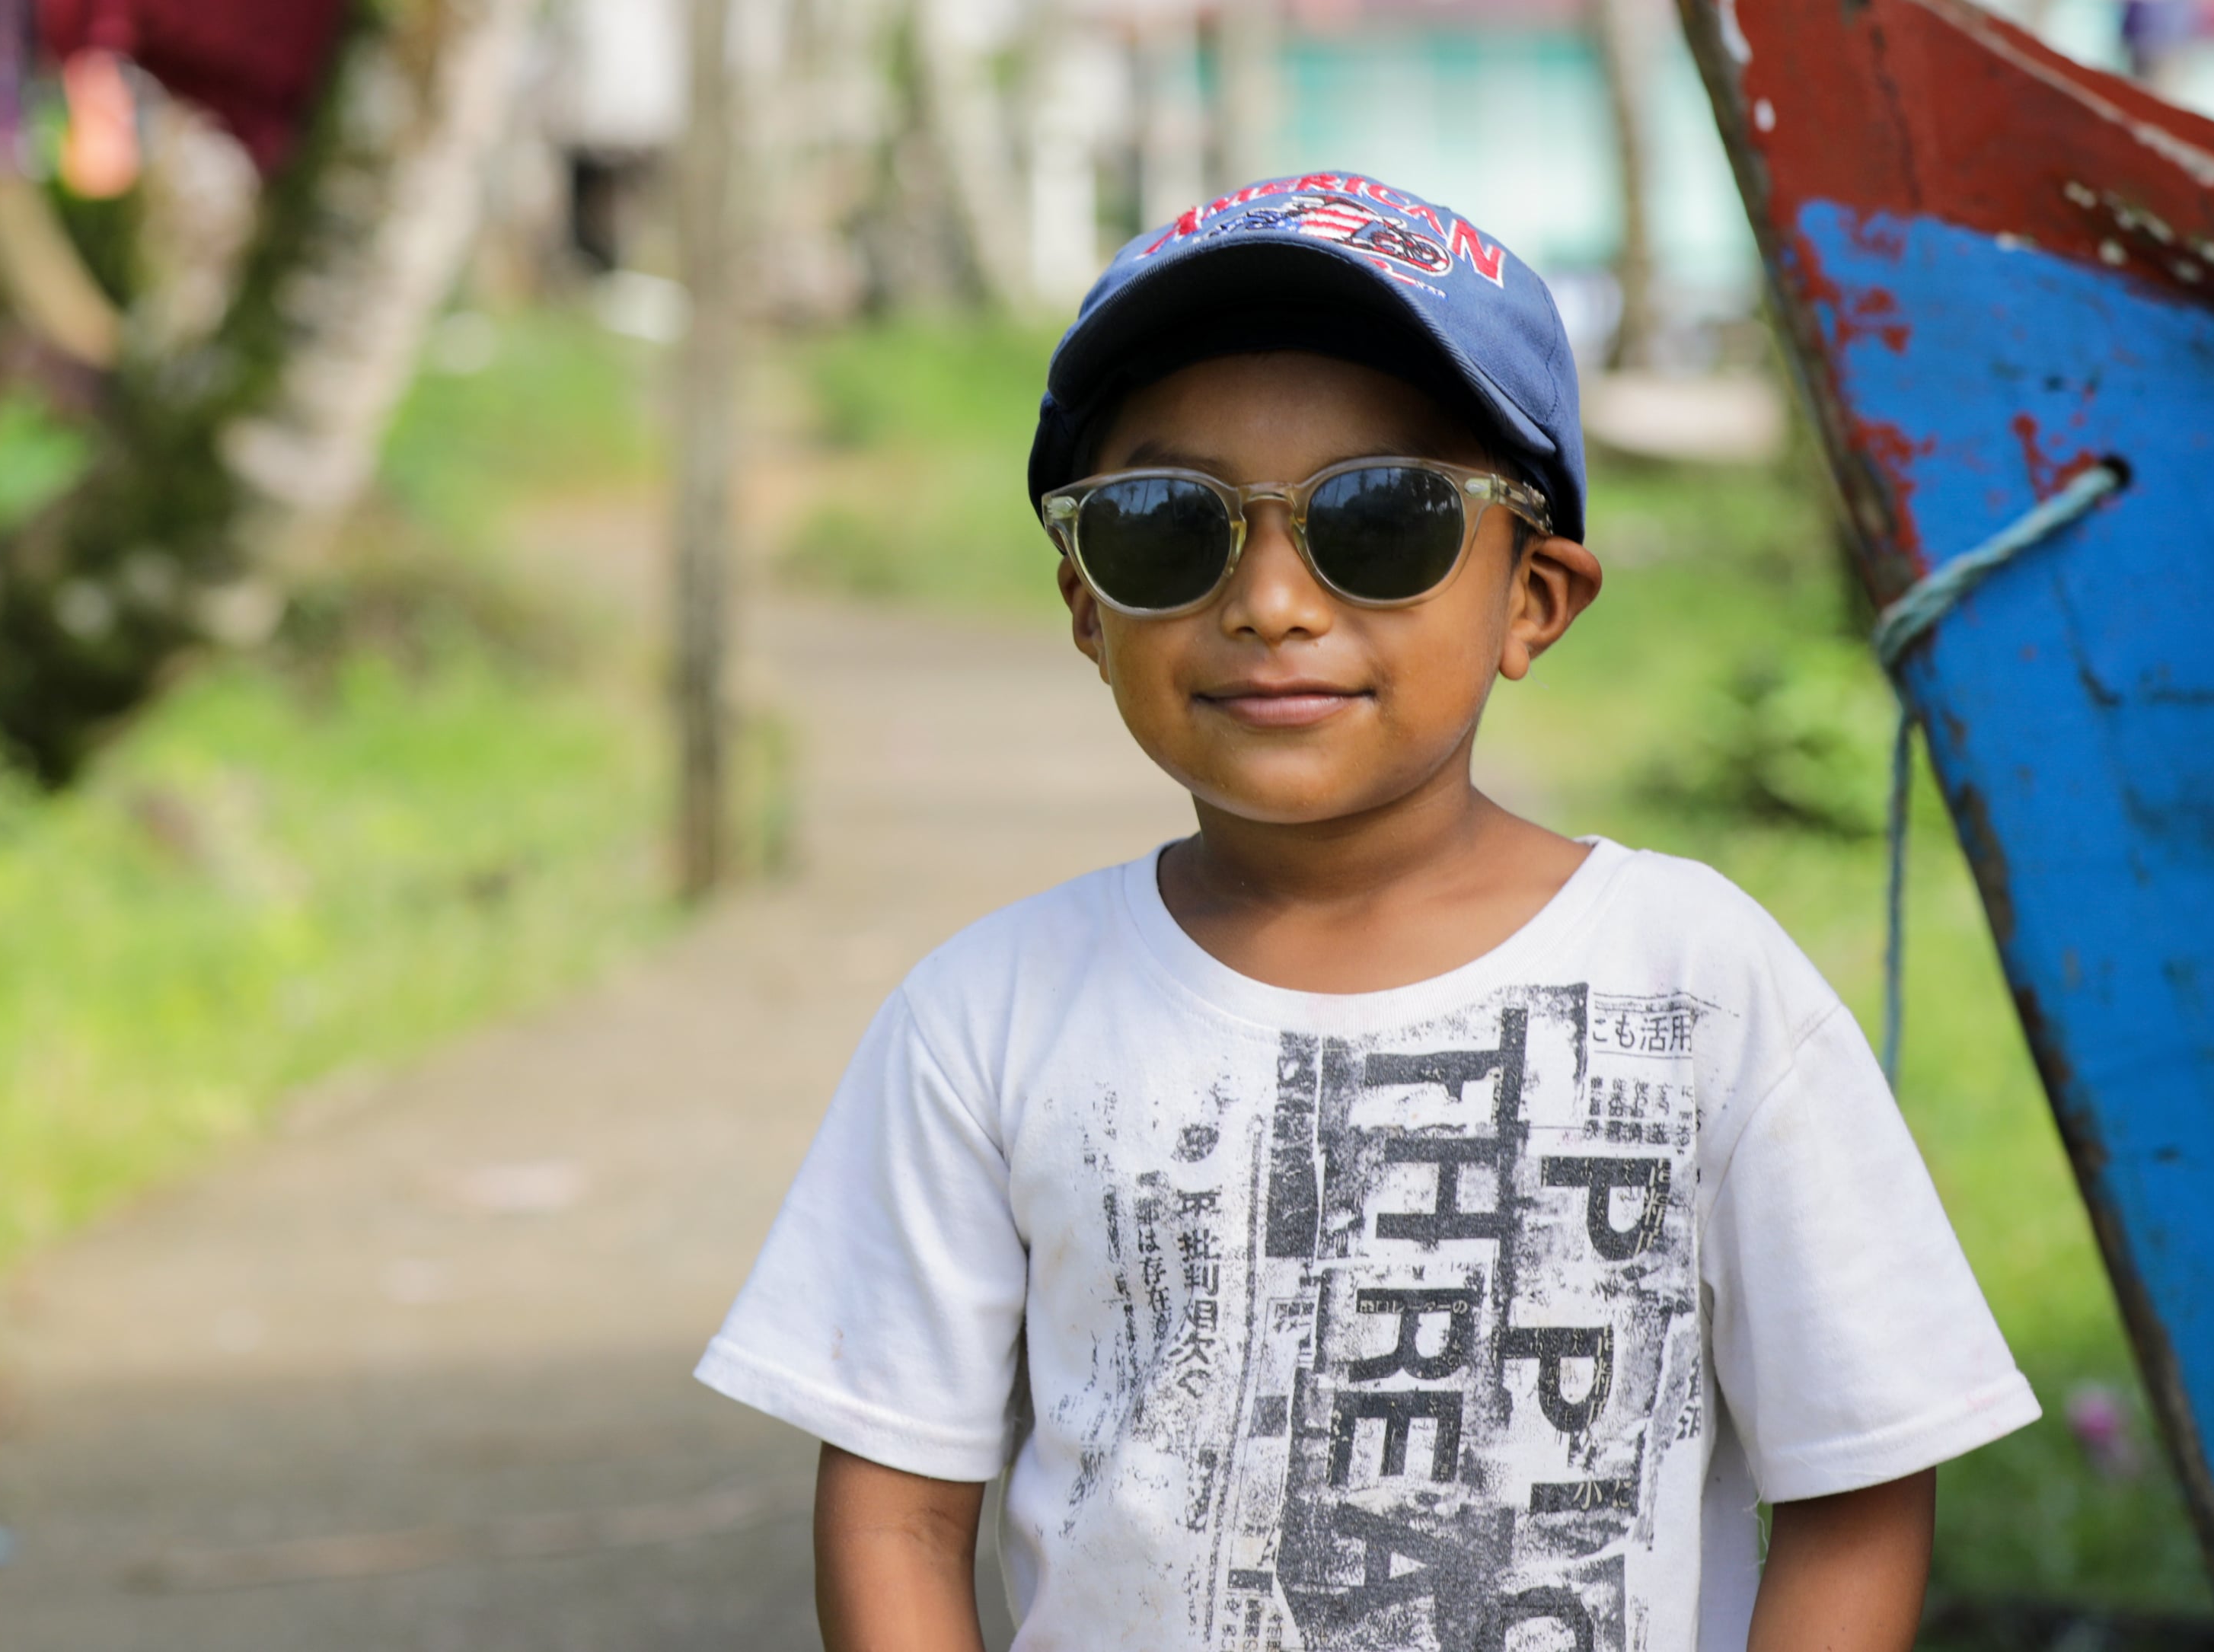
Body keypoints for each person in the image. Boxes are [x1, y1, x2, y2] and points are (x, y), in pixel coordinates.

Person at [694, 172, 2038, 1652]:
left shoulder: (1698, 984)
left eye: (1379, 518)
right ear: (1085, 607)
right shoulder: (983, 1020)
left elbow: (1853, 1481)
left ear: (1534, 598)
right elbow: (895, 1506)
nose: (1270, 601)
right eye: (1165, 526)